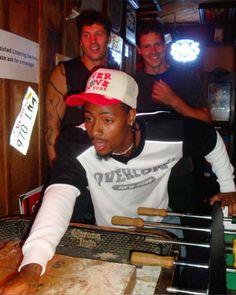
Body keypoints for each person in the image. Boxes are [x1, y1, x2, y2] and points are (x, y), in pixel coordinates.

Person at [0, 68, 235, 295]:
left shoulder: (168, 132)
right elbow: (58, 196)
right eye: (89, 117)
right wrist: (32, 266)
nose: (95, 131)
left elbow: (210, 139)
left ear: (131, 116)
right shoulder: (76, 143)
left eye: (107, 119)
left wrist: (228, 188)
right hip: (110, 232)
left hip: (161, 228)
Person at [45, 9, 112, 223]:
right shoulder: (63, 72)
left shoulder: (115, 75)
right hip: (73, 167)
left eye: (99, 34)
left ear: (108, 38)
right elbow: (51, 128)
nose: (93, 41)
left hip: (107, 171)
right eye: (86, 35)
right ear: (81, 40)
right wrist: (58, 169)